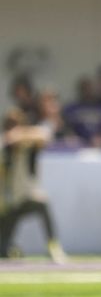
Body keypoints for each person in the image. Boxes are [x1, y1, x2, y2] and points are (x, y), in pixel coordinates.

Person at [0, 107, 67, 264]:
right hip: (5, 205)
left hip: (22, 199)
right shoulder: (4, 148)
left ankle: (53, 245)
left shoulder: (27, 148)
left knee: (42, 204)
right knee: (3, 249)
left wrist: (19, 134)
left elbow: (43, 135)